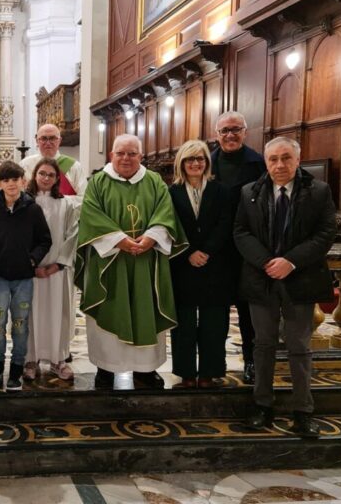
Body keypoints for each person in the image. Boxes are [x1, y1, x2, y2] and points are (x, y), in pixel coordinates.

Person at [235, 137, 336, 438]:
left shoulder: (318, 191)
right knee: (263, 345)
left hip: (300, 279)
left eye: (286, 158)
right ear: (265, 162)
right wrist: (268, 262)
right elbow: (240, 232)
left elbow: (326, 232)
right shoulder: (249, 192)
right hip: (261, 279)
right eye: (273, 159)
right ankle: (262, 405)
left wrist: (290, 261)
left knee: (299, 347)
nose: (279, 165)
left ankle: (303, 412)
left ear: (297, 159)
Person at [75, 134, 187, 390]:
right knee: (108, 310)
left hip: (146, 262)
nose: (126, 158)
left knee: (144, 311)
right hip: (109, 262)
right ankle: (105, 368)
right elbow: (91, 214)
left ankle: (146, 370)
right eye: (120, 153)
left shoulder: (154, 181)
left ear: (141, 156)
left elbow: (165, 211)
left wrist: (151, 237)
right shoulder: (98, 182)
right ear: (111, 155)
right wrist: (119, 240)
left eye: (132, 153)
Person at [0, 161, 52, 392]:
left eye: (15, 180)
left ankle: (17, 367)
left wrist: (33, 259)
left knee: (20, 325)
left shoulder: (33, 209)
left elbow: (44, 240)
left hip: (23, 277)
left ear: (23, 181)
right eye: (6, 180)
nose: (11, 184)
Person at [168, 140, 233, 389]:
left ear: (207, 162)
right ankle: (185, 372)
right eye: (189, 159)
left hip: (214, 264)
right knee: (183, 321)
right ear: (181, 163)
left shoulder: (221, 191)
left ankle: (209, 371)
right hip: (182, 265)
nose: (195, 163)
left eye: (200, 158)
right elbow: (170, 225)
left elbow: (225, 224)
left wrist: (205, 250)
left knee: (214, 321)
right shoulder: (171, 192)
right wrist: (188, 252)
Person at [210, 111, 267, 385]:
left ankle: (251, 361)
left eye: (235, 129)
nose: (230, 135)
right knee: (215, 310)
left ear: (245, 132)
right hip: (215, 249)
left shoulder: (259, 164)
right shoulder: (205, 163)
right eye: (224, 131)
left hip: (248, 248)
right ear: (216, 134)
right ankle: (214, 363)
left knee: (248, 312)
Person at [23, 157, 80, 381]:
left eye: (51, 175)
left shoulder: (66, 204)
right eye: (42, 174)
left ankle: (58, 359)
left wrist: (57, 264)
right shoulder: (24, 203)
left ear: (57, 179)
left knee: (59, 313)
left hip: (57, 271)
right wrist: (31, 266)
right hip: (31, 271)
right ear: (34, 176)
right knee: (30, 315)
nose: (46, 178)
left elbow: (73, 234)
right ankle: (30, 359)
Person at [20, 123, 88, 197]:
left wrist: (59, 203)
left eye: (52, 138)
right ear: (37, 141)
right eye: (44, 138)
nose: (48, 143)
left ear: (59, 140)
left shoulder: (74, 166)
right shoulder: (25, 165)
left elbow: (83, 197)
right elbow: (17, 195)